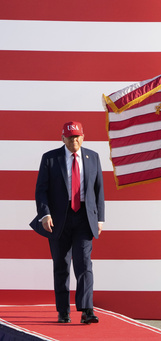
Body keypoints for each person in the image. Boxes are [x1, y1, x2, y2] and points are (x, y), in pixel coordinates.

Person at [30, 121, 105, 324]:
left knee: (84, 264)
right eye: (70, 137)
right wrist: (45, 215)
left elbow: (99, 190)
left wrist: (100, 218)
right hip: (57, 220)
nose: (75, 140)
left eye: (78, 136)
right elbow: (41, 190)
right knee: (61, 265)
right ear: (62, 138)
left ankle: (86, 310)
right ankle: (63, 311)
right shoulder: (50, 158)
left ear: (83, 136)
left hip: (84, 217)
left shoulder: (93, 157)